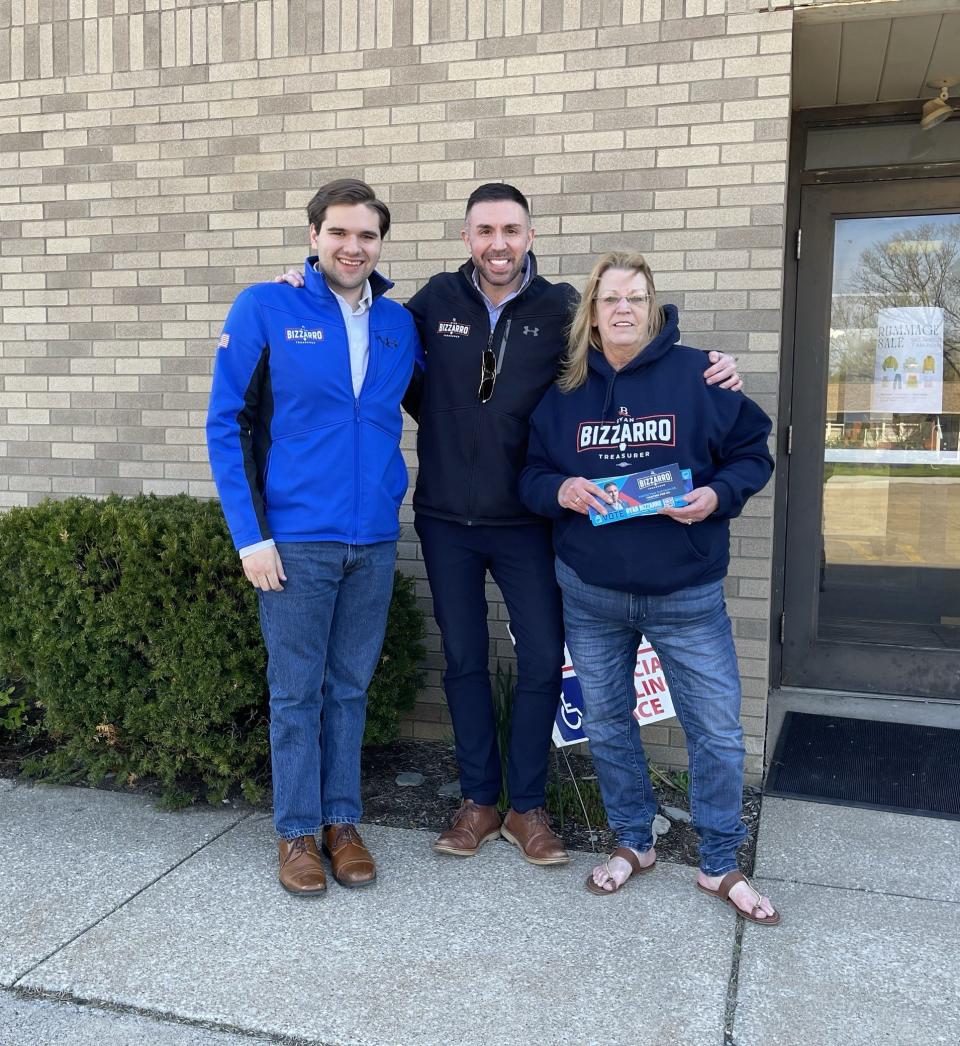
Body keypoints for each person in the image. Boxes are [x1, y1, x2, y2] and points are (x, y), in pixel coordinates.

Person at [278, 184, 742, 869]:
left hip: (529, 518)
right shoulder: (434, 303)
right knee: (464, 660)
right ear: (467, 237)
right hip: (446, 521)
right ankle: (478, 802)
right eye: (485, 230)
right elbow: (361, 323)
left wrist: (704, 361)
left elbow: (628, 348)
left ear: (529, 236)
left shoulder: (558, 309)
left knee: (539, 658)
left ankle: (527, 806)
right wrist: (302, 280)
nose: (499, 243)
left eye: (512, 230)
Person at [519, 250, 780, 924]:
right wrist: (563, 490)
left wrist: (717, 496)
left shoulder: (701, 376)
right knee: (609, 725)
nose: (624, 309)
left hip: (684, 593)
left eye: (635, 297)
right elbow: (532, 476)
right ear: (594, 314)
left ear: (653, 305)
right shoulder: (565, 393)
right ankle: (634, 843)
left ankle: (720, 862)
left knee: (717, 732)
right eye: (610, 299)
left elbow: (755, 451)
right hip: (591, 591)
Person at [206, 179, 422, 896]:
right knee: (297, 692)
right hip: (295, 539)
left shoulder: (397, 323)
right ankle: (296, 832)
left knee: (350, 687)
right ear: (313, 236)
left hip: (373, 537)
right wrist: (250, 535)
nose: (353, 247)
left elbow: (455, 392)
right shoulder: (266, 305)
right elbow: (226, 422)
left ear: (380, 243)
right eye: (339, 233)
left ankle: (342, 821)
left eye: (366, 236)